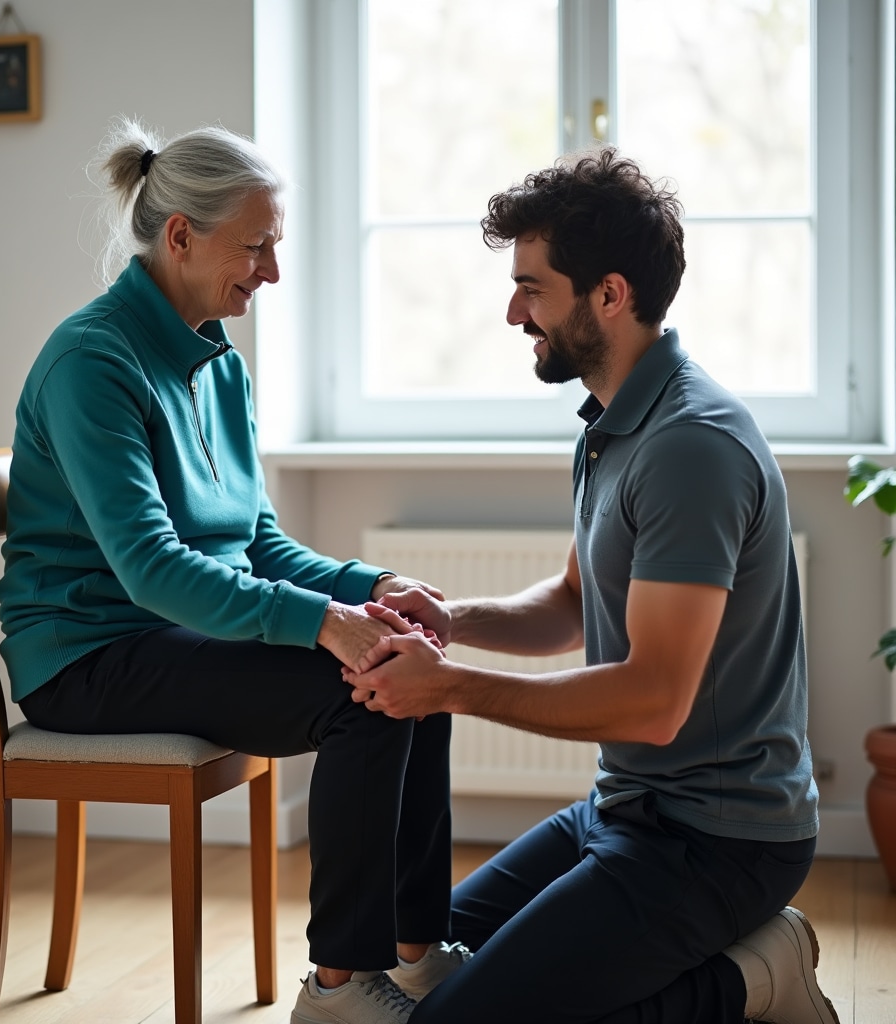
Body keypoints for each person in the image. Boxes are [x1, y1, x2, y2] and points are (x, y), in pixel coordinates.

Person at [343, 148, 840, 1024]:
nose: (513, 313)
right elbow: (574, 604)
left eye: (531, 289)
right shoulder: (612, 426)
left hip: (719, 842)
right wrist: (451, 619)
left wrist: (449, 689)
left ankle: (757, 975)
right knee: (411, 969)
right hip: (623, 810)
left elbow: (654, 702)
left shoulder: (691, 447)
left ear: (609, 294)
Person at [0, 117, 466, 1024]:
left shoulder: (217, 362)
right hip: (88, 656)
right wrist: (324, 623)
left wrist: (369, 591)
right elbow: (150, 568)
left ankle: (414, 956)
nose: (272, 272)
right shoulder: (93, 361)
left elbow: (256, 544)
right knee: (362, 694)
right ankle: (338, 990)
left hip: (175, 635)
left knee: (413, 670)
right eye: (256, 247)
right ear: (181, 236)